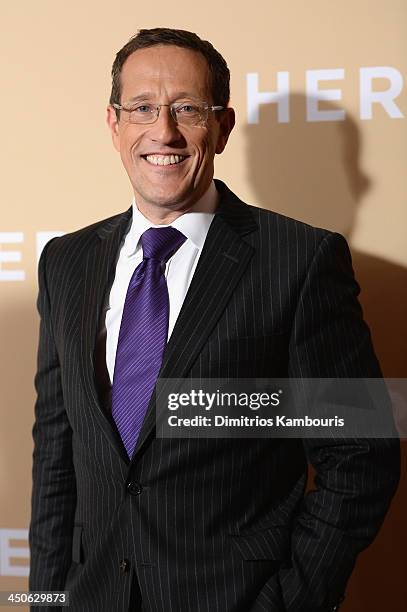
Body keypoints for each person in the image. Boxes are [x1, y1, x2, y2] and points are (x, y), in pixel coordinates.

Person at [29, 28, 400, 612]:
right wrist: (44, 602)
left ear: (222, 127)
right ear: (113, 124)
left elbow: (363, 455)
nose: (164, 131)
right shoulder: (66, 261)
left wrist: (289, 602)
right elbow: (56, 454)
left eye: (187, 109)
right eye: (143, 108)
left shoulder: (301, 260)